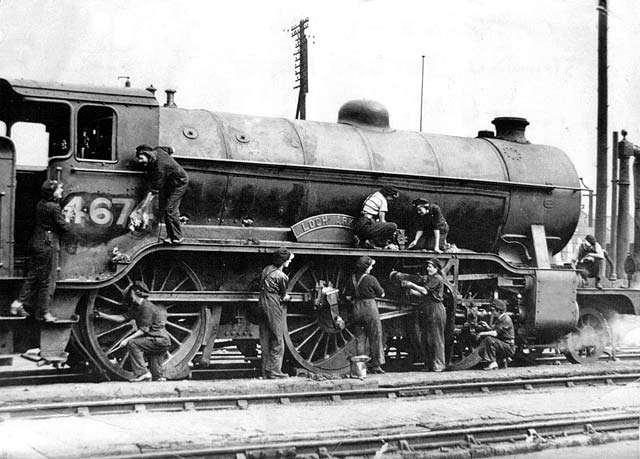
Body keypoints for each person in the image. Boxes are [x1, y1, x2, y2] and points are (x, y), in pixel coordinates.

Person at [10, 179, 72, 322]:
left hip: (37, 242)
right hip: (48, 244)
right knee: (47, 280)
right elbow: (65, 228)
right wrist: (67, 217)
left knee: (33, 275)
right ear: (53, 192)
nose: (61, 191)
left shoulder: (41, 204)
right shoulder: (54, 207)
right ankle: (44, 312)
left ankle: (18, 303)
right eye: (59, 189)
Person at [95, 281, 171, 382]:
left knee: (133, 344)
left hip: (159, 340)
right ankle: (157, 380)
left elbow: (144, 330)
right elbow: (122, 318)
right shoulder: (137, 307)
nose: (129, 295)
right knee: (157, 376)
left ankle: (143, 373)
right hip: (159, 341)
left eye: (130, 292)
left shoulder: (146, 307)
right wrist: (101, 314)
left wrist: (126, 340)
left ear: (135, 292)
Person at [397, 259, 446, 372]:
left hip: (435, 309)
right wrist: (411, 291)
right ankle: (429, 364)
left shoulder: (437, 278)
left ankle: (439, 364)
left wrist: (411, 284)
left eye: (430, 267)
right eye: (428, 266)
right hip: (427, 308)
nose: (428, 269)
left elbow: (424, 291)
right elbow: (424, 294)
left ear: (436, 268)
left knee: (436, 338)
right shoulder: (431, 278)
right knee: (426, 338)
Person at [135, 144, 189, 244]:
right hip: (170, 182)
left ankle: (178, 237)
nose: (139, 161)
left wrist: (143, 206)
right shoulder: (158, 150)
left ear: (148, 155)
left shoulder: (159, 168)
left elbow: (154, 190)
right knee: (171, 209)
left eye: (141, 159)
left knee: (169, 209)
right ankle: (171, 235)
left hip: (179, 183)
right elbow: (170, 149)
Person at [257, 247, 294, 379]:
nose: (289, 262)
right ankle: (275, 371)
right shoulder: (282, 276)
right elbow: (283, 296)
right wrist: (288, 297)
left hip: (261, 302)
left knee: (265, 337)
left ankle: (265, 371)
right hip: (273, 304)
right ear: (283, 261)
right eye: (288, 260)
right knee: (278, 338)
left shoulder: (267, 269)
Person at [345, 256, 386, 374]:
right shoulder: (371, 279)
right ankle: (376, 365)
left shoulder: (352, 279)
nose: (371, 268)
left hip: (356, 308)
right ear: (366, 267)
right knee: (375, 335)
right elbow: (382, 293)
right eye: (371, 266)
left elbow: (348, 297)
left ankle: (360, 367)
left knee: (360, 338)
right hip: (370, 308)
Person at [476, 299, 516, 370]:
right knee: (490, 340)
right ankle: (503, 360)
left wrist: (481, 333)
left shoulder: (505, 319)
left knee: (489, 340)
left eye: (493, 310)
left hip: (509, 347)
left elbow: (495, 333)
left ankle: (493, 363)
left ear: (499, 311)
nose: (492, 312)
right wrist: (487, 327)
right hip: (505, 344)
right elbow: (497, 331)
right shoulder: (501, 318)